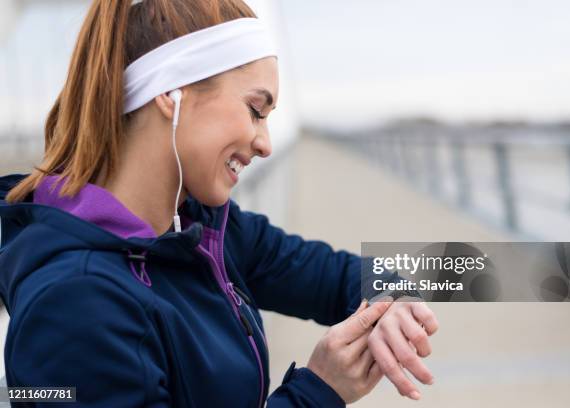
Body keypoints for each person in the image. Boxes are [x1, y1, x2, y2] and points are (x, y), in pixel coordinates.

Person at [0, 0, 438, 406]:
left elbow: (333, 274)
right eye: (255, 110)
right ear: (171, 93)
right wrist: (319, 392)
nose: (265, 143)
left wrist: (393, 296)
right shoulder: (74, 304)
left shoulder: (202, 231)